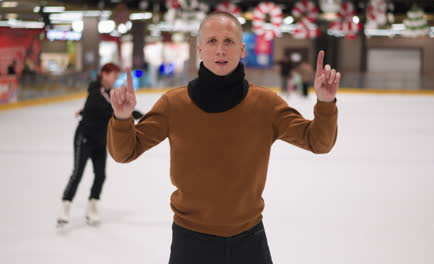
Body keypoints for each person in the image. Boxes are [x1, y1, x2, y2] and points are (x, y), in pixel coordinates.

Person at [107, 11, 340, 264]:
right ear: (200, 49)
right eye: (212, 41)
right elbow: (124, 152)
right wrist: (121, 119)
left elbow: (318, 142)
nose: (220, 50)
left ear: (242, 50)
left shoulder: (266, 104)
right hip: (190, 243)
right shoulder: (173, 104)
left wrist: (325, 103)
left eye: (228, 41)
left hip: (249, 241)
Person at [57, 63, 142, 227]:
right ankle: (65, 207)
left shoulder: (108, 94)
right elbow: (105, 108)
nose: (115, 80)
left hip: (101, 139)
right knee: (77, 173)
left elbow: (105, 108)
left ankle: (92, 207)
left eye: (117, 77)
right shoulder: (96, 90)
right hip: (85, 138)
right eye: (113, 76)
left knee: (101, 175)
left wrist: (137, 114)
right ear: (103, 74)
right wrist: (127, 112)